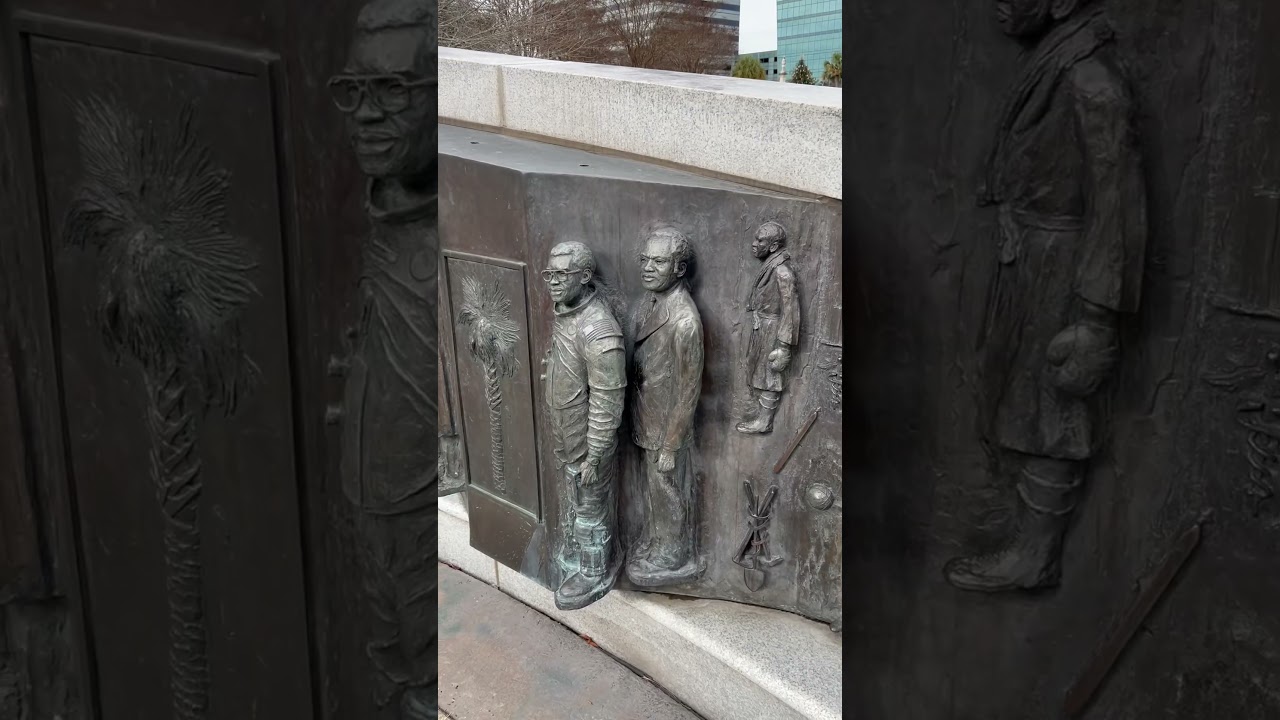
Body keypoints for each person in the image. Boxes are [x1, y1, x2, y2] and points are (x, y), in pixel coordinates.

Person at [943, 0, 1147, 593]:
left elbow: (1118, 209)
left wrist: (1095, 321)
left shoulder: (1093, 81)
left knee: (1053, 409)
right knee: (1015, 399)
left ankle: (1036, 556)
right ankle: (1023, 538)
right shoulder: (1053, 63)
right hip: (1029, 260)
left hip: (1066, 268)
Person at [327, 0, 437, 715]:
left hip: (422, 513)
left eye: (394, 91)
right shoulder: (380, 211)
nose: (367, 115)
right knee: (383, 668)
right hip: (366, 496)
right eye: (354, 92)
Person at [540, 241, 627, 610]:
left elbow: (608, 400)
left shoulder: (599, 329)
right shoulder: (566, 312)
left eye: (562, 275)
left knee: (591, 505)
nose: (554, 283)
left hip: (589, 443)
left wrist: (595, 455)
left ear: (585, 277)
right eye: (550, 275)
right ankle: (578, 555)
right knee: (575, 498)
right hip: (566, 430)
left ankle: (595, 570)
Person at [627, 225, 705, 586]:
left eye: (659, 261)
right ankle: (659, 543)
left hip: (666, 429)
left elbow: (688, 389)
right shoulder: (651, 303)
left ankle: (674, 555)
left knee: (667, 490)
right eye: (645, 259)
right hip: (647, 418)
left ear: (679, 269)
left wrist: (672, 444)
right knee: (653, 489)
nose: (647, 267)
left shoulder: (685, 320)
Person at [737, 221, 801, 435]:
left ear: (773, 247)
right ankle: (760, 416)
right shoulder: (770, 266)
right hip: (762, 327)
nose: (754, 244)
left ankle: (765, 422)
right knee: (759, 373)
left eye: (760, 240)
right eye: (755, 238)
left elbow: (790, 311)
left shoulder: (783, 272)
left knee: (770, 375)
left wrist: (783, 347)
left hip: (772, 330)